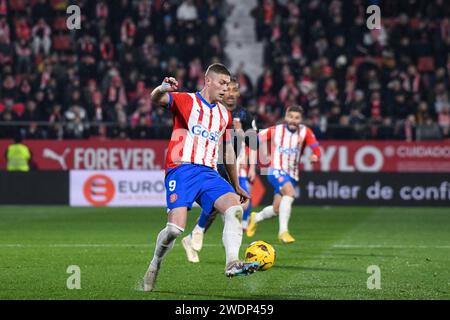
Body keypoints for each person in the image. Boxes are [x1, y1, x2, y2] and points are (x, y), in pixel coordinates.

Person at [143, 63, 259, 292]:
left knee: (235, 208)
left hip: (208, 173)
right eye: (223, 83)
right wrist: (162, 87)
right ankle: (155, 263)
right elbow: (156, 98)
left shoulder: (224, 115)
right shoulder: (186, 101)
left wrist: (236, 185)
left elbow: (226, 152)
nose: (226, 89)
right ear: (208, 81)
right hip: (181, 169)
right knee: (175, 230)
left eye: (229, 85)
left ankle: (232, 263)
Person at [181, 78, 258, 263]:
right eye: (227, 89)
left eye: (234, 90)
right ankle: (208, 240)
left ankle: (195, 235)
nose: (230, 93)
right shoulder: (211, 110)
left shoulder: (244, 115)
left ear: (238, 93)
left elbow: (253, 142)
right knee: (229, 206)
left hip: (232, 165)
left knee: (229, 206)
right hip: (212, 163)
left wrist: (253, 167)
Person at [246, 106, 321, 243]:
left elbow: (316, 147)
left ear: (301, 119)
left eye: (297, 118)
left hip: (292, 174)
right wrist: (263, 152)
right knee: (290, 193)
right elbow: (256, 138)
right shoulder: (276, 130)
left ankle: (255, 217)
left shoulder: (305, 132)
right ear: (286, 117)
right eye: (291, 117)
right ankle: (283, 232)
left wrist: (315, 156)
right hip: (275, 170)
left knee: (277, 209)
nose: (293, 120)